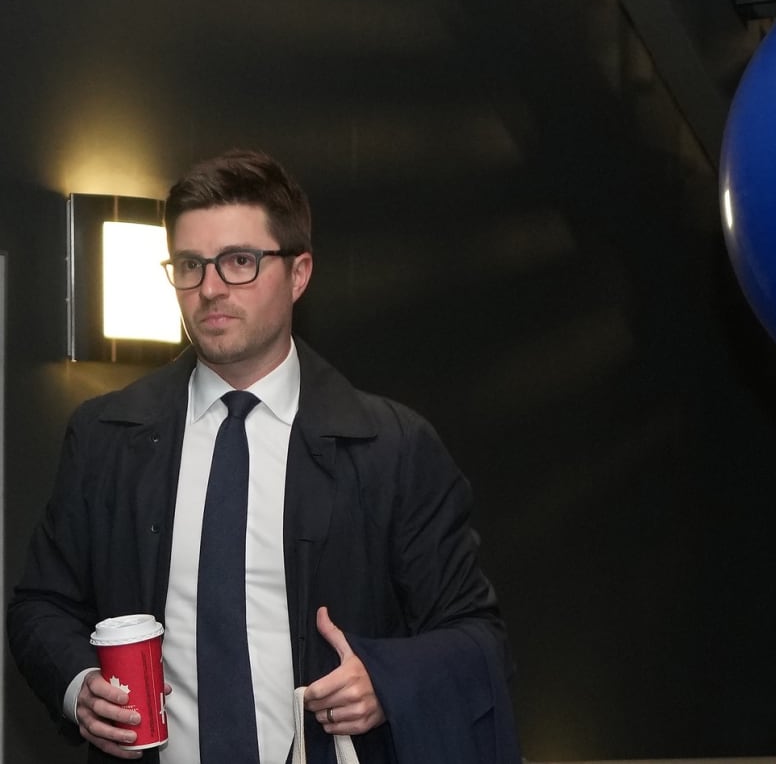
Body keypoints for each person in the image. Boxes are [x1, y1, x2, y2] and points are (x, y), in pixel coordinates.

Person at [8, 150, 520, 763]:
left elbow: (477, 637)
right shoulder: (105, 436)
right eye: (190, 265)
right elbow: (42, 605)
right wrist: (77, 687)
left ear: (299, 273)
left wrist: (385, 680)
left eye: (240, 261)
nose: (211, 288)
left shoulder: (392, 448)